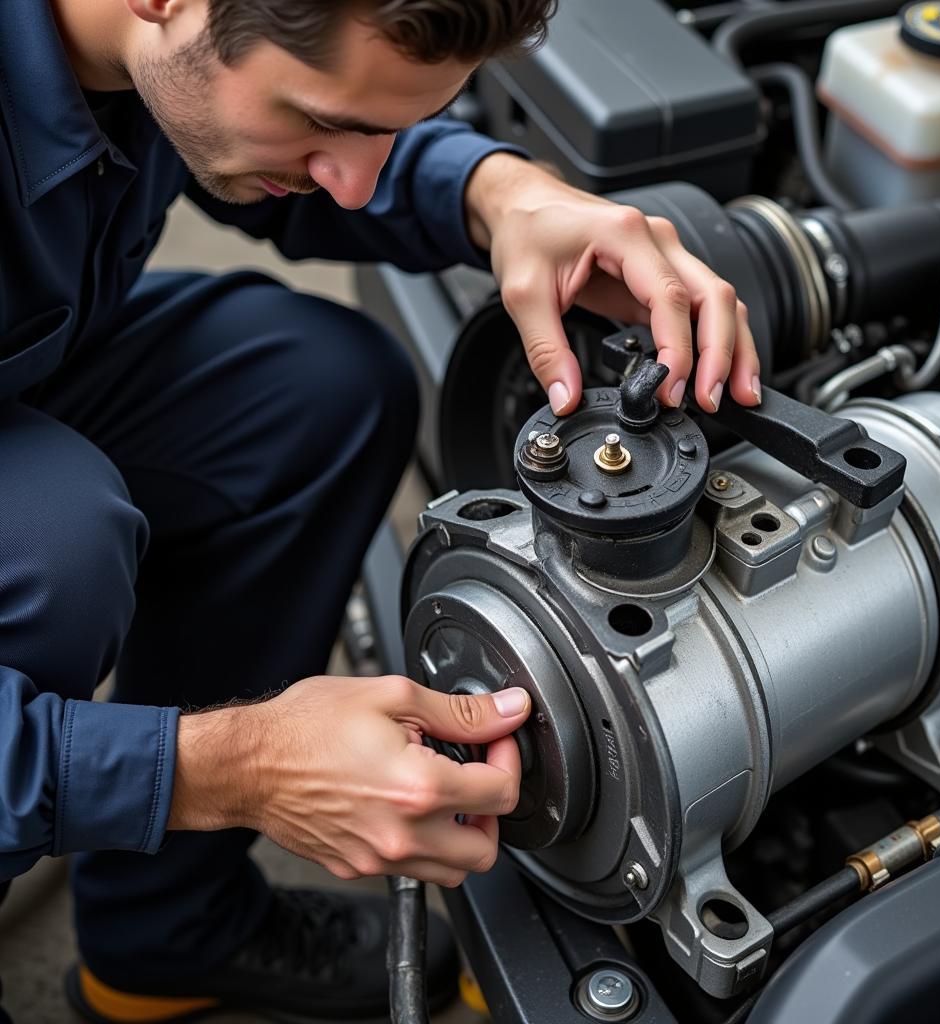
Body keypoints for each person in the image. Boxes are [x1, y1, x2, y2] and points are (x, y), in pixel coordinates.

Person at [0, 0, 762, 1020]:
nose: (354, 176)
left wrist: (502, 193)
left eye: (384, 131)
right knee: (58, 546)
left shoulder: (157, 54)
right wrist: (224, 769)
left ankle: (164, 937)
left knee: (319, 392)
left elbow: (320, 162)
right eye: (319, 122)